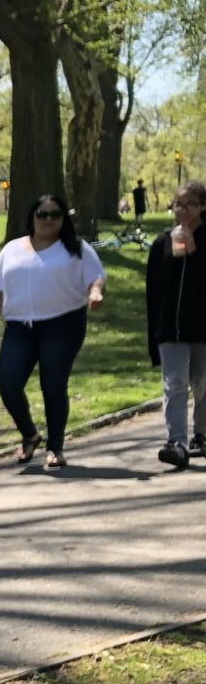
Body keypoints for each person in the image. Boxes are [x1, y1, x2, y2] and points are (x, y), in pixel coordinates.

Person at [0, 192, 105, 469]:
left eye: (55, 215)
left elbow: (97, 276)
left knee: (53, 384)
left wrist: (95, 294)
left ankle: (55, 447)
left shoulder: (76, 248)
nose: (48, 219)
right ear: (32, 217)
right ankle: (30, 434)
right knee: (8, 383)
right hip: (19, 327)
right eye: (42, 214)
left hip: (62, 325)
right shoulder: (12, 249)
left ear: (63, 220)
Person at [145, 181, 206, 469]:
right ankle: (176, 443)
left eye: (190, 204)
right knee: (175, 383)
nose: (182, 209)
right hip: (170, 327)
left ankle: (201, 434)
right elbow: (154, 290)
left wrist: (193, 252)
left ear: (202, 207)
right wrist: (154, 333)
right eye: (178, 203)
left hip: (202, 327)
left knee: (202, 382)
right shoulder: (162, 241)